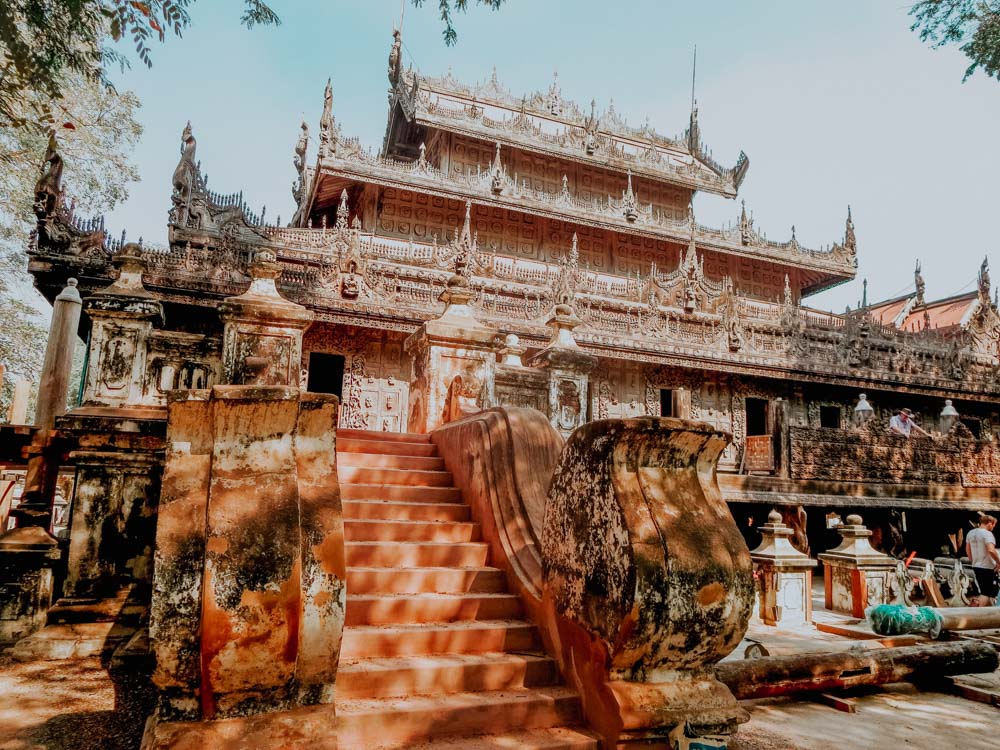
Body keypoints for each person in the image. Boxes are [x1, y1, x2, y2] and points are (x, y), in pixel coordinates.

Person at [966, 513, 1000, 605]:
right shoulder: (988, 534)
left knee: (987, 592)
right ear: (989, 523)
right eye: (993, 525)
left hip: (976, 566)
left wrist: (974, 562)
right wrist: (999, 562)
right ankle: (975, 614)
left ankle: (988, 615)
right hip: (988, 567)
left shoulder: (970, 533)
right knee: (988, 593)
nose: (993, 527)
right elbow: (991, 550)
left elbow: (968, 551)